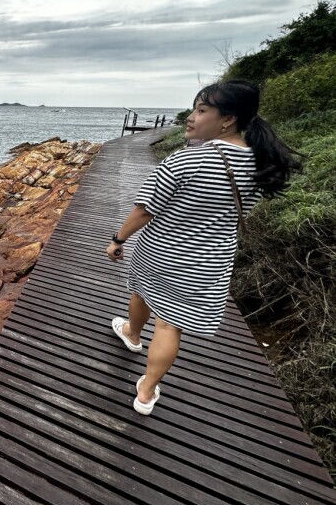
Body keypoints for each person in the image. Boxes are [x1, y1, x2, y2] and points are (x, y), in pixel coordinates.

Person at [105, 79, 302, 415]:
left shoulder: (186, 160)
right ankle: (146, 392)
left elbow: (144, 209)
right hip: (208, 263)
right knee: (170, 325)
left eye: (201, 110)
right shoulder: (260, 165)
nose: (191, 118)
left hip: (160, 252)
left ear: (228, 119)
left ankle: (133, 334)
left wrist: (117, 240)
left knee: (141, 293)